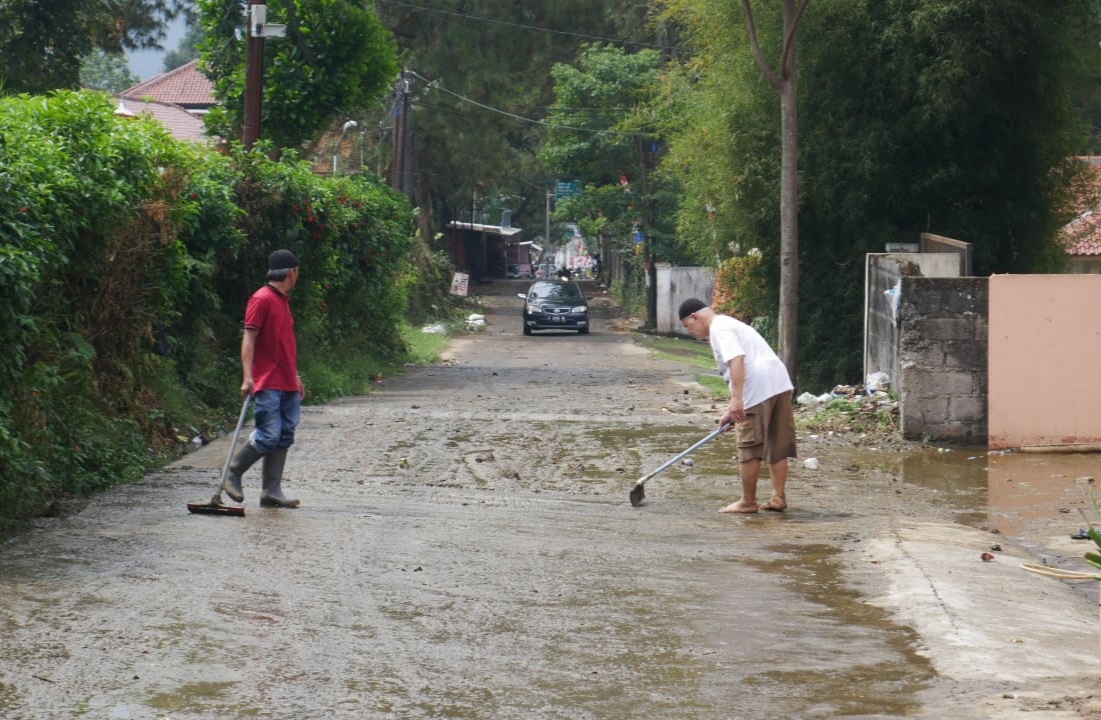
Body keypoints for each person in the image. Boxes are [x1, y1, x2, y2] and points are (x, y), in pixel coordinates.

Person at [678, 298, 796, 514]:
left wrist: (737, 401)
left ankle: (747, 502)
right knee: (776, 444)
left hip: (757, 387)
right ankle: (778, 497)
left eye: (688, 326)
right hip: (779, 383)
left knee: (748, 446)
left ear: (695, 316)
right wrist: (731, 408)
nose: (691, 332)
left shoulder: (719, 329)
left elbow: (737, 360)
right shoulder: (730, 323)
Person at [222, 249, 304, 508]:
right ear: (292, 272)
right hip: (267, 381)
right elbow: (249, 338)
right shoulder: (262, 298)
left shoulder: (283, 300)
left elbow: (284, 344)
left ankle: (272, 491)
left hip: (287, 380)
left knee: (284, 435)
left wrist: (296, 376)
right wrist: (248, 377)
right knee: (269, 435)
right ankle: (232, 473)